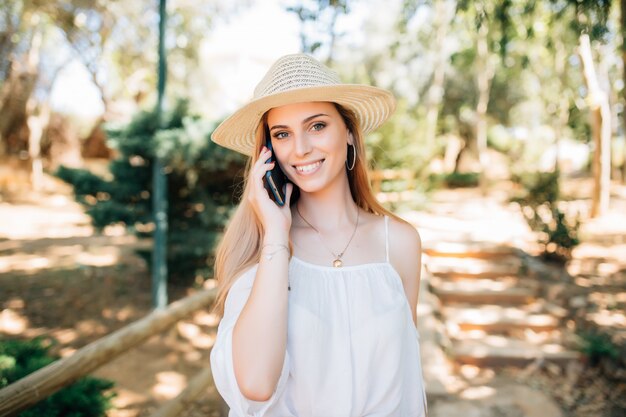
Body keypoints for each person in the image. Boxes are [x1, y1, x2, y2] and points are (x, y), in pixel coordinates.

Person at [209, 53, 427, 417]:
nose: (301, 149)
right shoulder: (260, 253)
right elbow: (257, 385)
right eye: (282, 134)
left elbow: (405, 377)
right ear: (269, 153)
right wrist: (276, 235)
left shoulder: (400, 243)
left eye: (317, 126)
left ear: (350, 132)